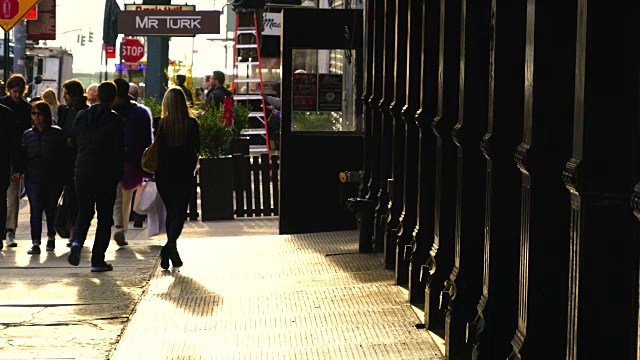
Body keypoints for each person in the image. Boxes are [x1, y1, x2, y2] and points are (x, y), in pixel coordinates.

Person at [67, 81, 125, 272]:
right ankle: (97, 260)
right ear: (114, 98)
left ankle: (76, 242)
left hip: (82, 171)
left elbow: (72, 141)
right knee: (104, 217)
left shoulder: (82, 116)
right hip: (105, 174)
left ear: (97, 96)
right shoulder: (115, 120)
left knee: (84, 212)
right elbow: (119, 151)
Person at [155, 87, 200, 270]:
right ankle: (169, 249)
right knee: (179, 212)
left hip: (164, 173)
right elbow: (197, 148)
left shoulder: (160, 123)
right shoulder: (192, 124)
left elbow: (156, 148)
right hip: (184, 173)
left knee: (170, 211)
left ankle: (169, 249)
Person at [111, 79, 153, 246]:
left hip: (112, 160)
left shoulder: (108, 111)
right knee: (126, 195)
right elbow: (147, 140)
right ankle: (122, 227)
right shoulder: (140, 112)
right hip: (132, 160)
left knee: (117, 197)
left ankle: (120, 226)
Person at [22, 101, 66, 254]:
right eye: (33, 113)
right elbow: (23, 156)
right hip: (33, 176)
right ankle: (35, 242)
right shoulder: (28, 135)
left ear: (46, 115)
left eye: (39, 113)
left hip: (52, 176)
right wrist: (19, 171)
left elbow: (63, 156)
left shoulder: (56, 133)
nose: (36, 117)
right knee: (35, 209)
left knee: (50, 208)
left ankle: (51, 237)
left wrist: (64, 177)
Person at [0, 74, 32, 248]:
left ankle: (10, 229)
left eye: (19, 92)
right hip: (10, 154)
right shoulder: (9, 108)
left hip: (15, 156)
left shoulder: (26, 109)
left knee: (13, 196)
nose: (17, 95)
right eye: (14, 91)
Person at [57, 79, 89, 247]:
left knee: (78, 197)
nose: (64, 97)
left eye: (67, 94)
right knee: (70, 196)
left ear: (75, 95)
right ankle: (72, 229)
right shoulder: (65, 111)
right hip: (67, 159)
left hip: (79, 158)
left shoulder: (85, 112)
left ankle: (75, 231)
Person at [0, 103, 22, 250]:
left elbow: (15, 144)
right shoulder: (7, 113)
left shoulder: (7, 114)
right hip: (3, 165)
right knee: (1, 200)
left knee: (2, 200)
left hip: (2, 165)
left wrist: (17, 168)